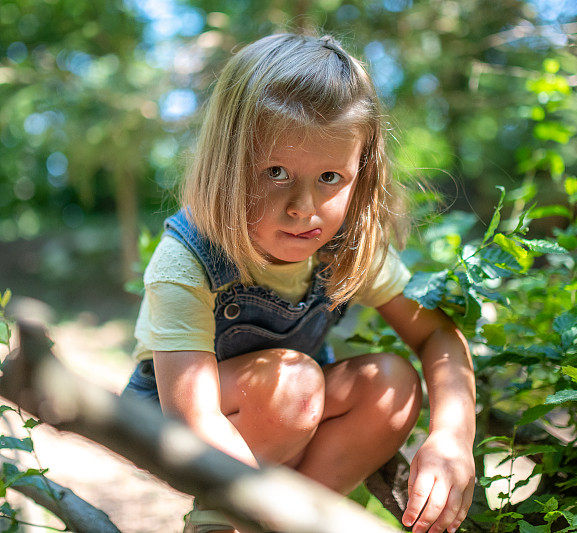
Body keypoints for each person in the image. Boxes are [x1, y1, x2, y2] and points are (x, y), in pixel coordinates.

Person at [122, 33, 475, 533]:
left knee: (392, 385)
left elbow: (436, 334)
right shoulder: (188, 259)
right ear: (230, 164)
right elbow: (191, 421)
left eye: (331, 177)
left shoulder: (348, 245)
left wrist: (453, 439)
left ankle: (284, 520)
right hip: (173, 421)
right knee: (295, 385)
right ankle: (225, 518)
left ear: (362, 171)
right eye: (276, 171)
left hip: (284, 413)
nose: (303, 209)